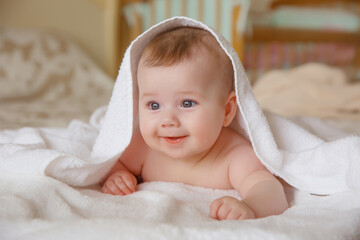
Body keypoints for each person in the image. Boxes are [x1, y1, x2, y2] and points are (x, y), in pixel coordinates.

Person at [101, 27, 288, 220]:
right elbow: (110, 162)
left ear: (227, 111)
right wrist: (118, 176)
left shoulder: (234, 155)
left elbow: (269, 189)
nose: (168, 121)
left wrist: (251, 207)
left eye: (187, 103)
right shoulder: (144, 148)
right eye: (154, 105)